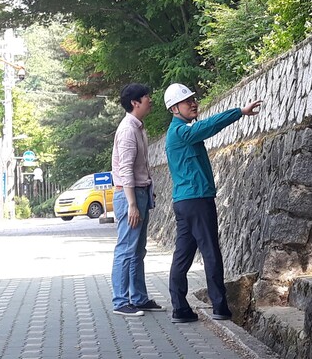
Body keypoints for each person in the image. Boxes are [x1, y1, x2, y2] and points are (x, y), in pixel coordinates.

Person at [163, 83, 262, 323]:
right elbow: (209, 126)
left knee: (182, 256)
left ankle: (180, 309)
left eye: (193, 99)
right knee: (210, 252)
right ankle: (220, 306)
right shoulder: (181, 132)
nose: (193, 103)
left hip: (185, 202)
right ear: (174, 109)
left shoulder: (180, 132)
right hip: (197, 200)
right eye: (187, 101)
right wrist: (239, 112)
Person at [110, 83, 164, 316]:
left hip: (139, 193)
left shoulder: (138, 127)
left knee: (138, 250)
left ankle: (139, 298)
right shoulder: (127, 130)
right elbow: (125, 169)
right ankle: (121, 301)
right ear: (135, 102)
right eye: (146, 97)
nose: (150, 100)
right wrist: (132, 204)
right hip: (128, 195)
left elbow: (139, 167)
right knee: (126, 249)